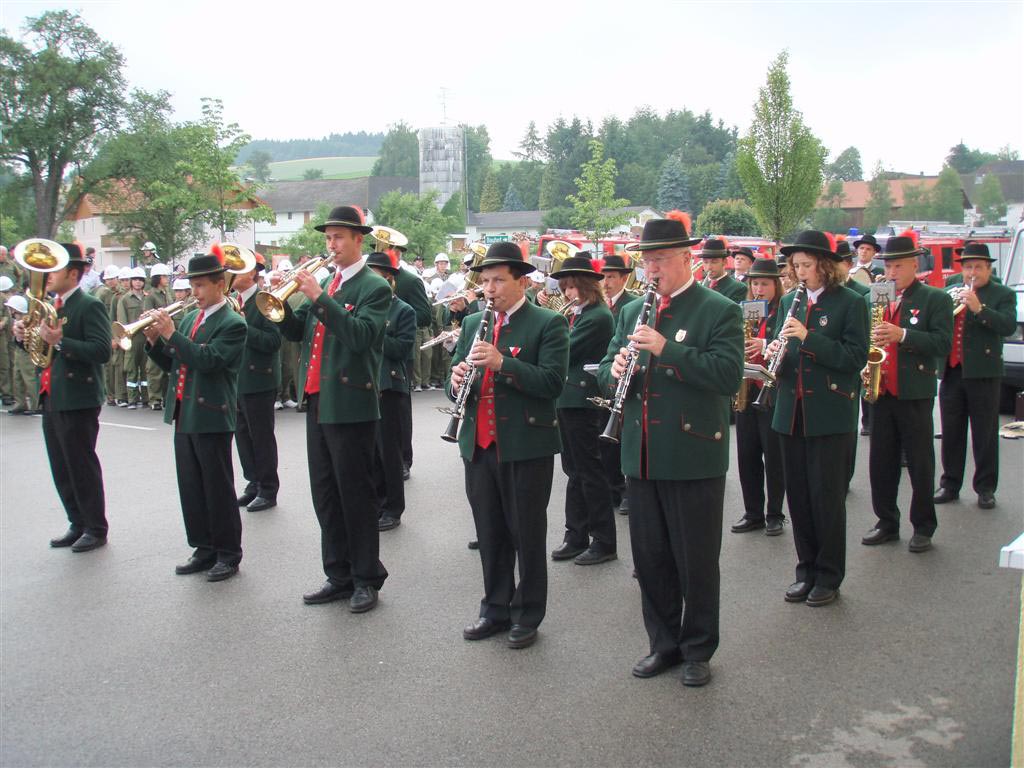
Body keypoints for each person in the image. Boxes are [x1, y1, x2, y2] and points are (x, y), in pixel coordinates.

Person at [597, 214, 743, 687]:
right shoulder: (630, 310)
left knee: (695, 558)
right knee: (651, 557)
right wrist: (615, 368)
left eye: (660, 259)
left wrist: (666, 349)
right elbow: (603, 368)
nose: (652, 269)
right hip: (640, 452)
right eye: (648, 260)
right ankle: (662, 643)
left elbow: (727, 376)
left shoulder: (717, 309)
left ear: (686, 259)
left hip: (692, 451)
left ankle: (698, 648)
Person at [449, 242, 569, 650]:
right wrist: (456, 378)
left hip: (524, 443)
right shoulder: (471, 325)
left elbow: (552, 383)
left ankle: (527, 613)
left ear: (523, 280)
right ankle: (494, 608)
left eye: (498, 280)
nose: (489, 288)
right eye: (484, 281)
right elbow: (459, 379)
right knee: (490, 531)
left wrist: (504, 364)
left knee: (527, 534)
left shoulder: (547, 323)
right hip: (478, 443)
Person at [277, 205, 390, 613]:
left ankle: (366, 577)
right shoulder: (329, 283)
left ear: (359, 240)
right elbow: (295, 331)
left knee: (354, 494)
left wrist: (318, 296)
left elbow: (360, 337)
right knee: (324, 492)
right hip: (318, 400)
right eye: (328, 238)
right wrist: (281, 305)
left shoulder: (374, 287)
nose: (331, 245)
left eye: (339, 237)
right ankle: (338, 574)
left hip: (352, 402)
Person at [766, 231, 868, 608]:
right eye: (796, 265)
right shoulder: (789, 302)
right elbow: (786, 352)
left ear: (824, 266)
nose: (800, 271)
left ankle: (828, 575)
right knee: (799, 497)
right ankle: (805, 569)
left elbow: (854, 358)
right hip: (790, 411)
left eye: (807, 265)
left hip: (828, 413)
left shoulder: (850, 302)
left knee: (826, 498)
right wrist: (775, 350)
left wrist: (808, 338)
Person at [143, 246, 248, 581]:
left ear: (220, 284)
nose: (194, 293)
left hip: (212, 413)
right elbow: (177, 365)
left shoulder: (233, 323)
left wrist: (172, 335)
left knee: (217, 487)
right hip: (184, 412)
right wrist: (156, 344)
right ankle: (203, 547)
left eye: (201, 286)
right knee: (191, 485)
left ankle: (228, 553)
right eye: (192, 286)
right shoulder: (190, 318)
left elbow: (209, 360)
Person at [12, 242, 111, 552]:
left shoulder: (88, 304)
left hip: (78, 395)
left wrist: (60, 341)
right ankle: (77, 521)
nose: (47, 275)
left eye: (54, 269)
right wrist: (22, 338)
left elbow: (101, 350)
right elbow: (40, 351)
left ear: (73, 273)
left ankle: (95, 527)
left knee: (81, 464)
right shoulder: (52, 305)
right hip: (52, 393)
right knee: (61, 465)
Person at [861, 231, 952, 554]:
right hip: (881, 390)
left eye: (898, 266)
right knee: (880, 462)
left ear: (914, 265)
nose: (892, 273)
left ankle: (923, 526)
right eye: (888, 267)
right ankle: (886, 521)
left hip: (914, 391)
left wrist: (903, 335)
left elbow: (941, 343)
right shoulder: (877, 297)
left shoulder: (934, 299)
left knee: (920, 462)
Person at [935, 242, 1016, 510]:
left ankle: (985, 488)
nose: (972, 273)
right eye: (968, 267)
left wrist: (979, 308)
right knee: (951, 431)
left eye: (978, 267)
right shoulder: (952, 285)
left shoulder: (1002, 293)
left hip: (984, 372)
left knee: (984, 433)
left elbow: (1006, 326)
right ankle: (950, 483)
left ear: (988, 269)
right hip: (952, 370)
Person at [549, 254, 616, 565]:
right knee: (574, 472)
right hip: (567, 399)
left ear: (588, 286)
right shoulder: (578, 314)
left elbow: (564, 350)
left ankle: (604, 540)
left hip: (584, 401)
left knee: (590, 472)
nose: (567, 293)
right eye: (565, 287)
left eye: (573, 287)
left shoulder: (597, 316)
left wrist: (549, 327)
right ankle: (575, 534)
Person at [731, 258, 787, 536]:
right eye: (755, 283)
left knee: (773, 456)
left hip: (771, 390)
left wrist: (762, 343)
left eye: (765, 283)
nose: (759, 288)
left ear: (776, 285)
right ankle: (752, 512)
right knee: (747, 455)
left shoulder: (783, 311)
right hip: (746, 388)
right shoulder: (745, 311)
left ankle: (775, 513)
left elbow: (784, 341)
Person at [364, 252, 416, 530]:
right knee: (370, 451)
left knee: (389, 451)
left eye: (377, 275)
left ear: (390, 279)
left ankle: (393, 508)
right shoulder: (364, 306)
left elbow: (401, 349)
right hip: (366, 385)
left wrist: (373, 331)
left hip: (389, 385)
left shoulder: (403, 311)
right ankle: (376, 503)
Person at [232, 254, 282, 513]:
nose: (230, 275)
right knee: (242, 435)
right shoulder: (235, 301)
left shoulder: (263, 300)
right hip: (238, 377)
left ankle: (268, 488)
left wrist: (243, 327)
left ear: (252, 274)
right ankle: (253, 482)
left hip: (259, 377)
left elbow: (273, 342)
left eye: (237, 271)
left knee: (260, 436)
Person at [599, 254, 638, 512]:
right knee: (606, 437)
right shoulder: (600, 303)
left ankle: (626, 490)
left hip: (628, 376)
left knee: (623, 436)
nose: (606, 282)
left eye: (611, 277)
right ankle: (612, 486)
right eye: (603, 276)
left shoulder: (632, 304)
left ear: (624, 278)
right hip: (607, 374)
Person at [117, 266, 148, 409]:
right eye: (135, 280)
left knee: (146, 369)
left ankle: (146, 398)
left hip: (147, 337)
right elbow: (122, 321)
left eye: (140, 280)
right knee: (131, 369)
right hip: (132, 337)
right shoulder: (125, 299)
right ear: (131, 282)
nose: (137, 282)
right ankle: (132, 399)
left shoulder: (148, 297)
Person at [144, 264, 173, 410]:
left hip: (167, 331)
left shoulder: (167, 293)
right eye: (164, 277)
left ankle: (166, 398)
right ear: (157, 278)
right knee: (154, 370)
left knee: (168, 370)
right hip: (156, 331)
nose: (167, 279)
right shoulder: (152, 295)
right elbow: (148, 314)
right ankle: (154, 399)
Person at [4, 294, 39, 414]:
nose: (10, 311)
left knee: (29, 379)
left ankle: (36, 404)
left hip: (26, 352)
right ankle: (20, 403)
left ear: (16, 310)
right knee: (17, 377)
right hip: (19, 351)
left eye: (11, 309)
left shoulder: (27, 321)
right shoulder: (18, 320)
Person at [700, 238, 747, 303]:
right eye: (705, 262)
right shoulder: (699, 286)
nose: (709, 267)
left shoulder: (738, 288)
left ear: (724, 262)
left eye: (714, 262)